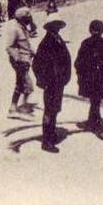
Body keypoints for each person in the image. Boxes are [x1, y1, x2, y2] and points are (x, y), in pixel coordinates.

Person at [33, 20, 72, 153]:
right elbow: (37, 64)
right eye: (56, 26)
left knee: (54, 109)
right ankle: (47, 141)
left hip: (58, 81)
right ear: (50, 28)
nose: (58, 28)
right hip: (51, 82)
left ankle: (51, 134)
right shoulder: (46, 43)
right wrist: (43, 81)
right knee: (49, 110)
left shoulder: (57, 39)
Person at [74, 20, 103, 139]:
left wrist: (81, 76)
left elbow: (78, 63)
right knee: (96, 101)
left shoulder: (86, 43)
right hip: (98, 78)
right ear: (102, 30)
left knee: (95, 101)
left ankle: (92, 121)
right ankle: (97, 126)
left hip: (89, 78)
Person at [3, 7, 36, 115]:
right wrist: (18, 59)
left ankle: (13, 107)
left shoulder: (22, 27)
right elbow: (10, 47)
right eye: (27, 18)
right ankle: (24, 107)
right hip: (20, 61)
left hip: (25, 60)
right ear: (22, 18)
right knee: (28, 85)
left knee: (20, 83)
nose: (29, 19)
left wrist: (33, 52)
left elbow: (25, 44)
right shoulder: (15, 29)